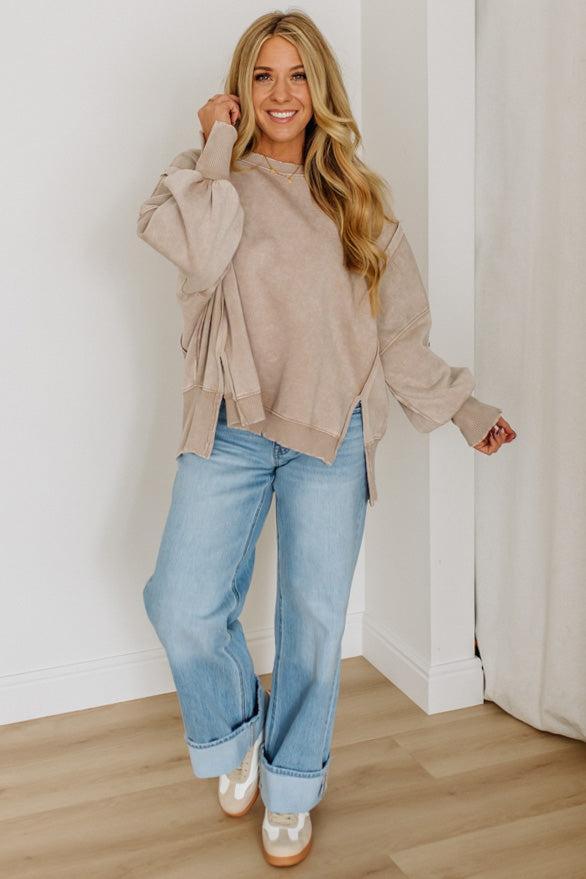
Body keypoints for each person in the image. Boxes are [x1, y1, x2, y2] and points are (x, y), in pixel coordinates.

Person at [136, 10, 516, 868]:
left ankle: (294, 782)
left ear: (321, 89)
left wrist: (463, 408)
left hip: (330, 435)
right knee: (181, 604)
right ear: (238, 91)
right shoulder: (207, 181)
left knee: (311, 621)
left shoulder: (360, 199)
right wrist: (216, 143)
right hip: (230, 427)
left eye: (297, 76)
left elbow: (399, 337)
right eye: (262, 77)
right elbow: (198, 251)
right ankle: (237, 730)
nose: (281, 94)